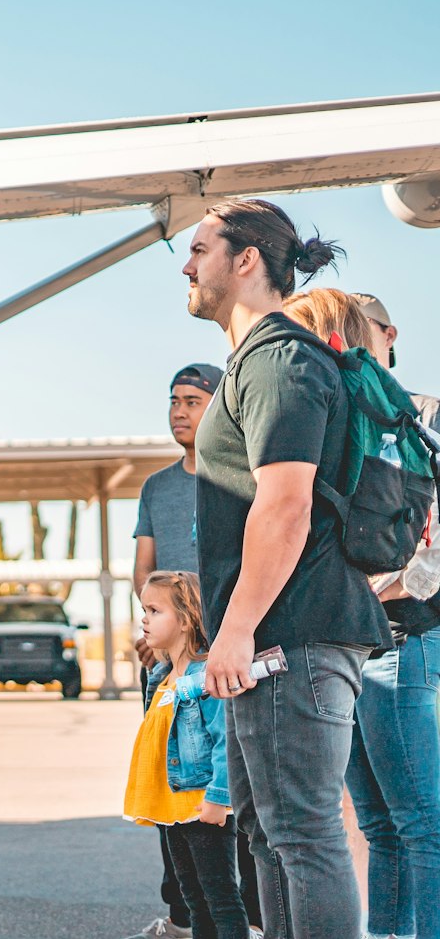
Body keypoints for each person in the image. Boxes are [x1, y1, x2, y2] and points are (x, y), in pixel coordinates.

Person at [182, 198, 390, 939]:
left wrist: (234, 630)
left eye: (200, 247)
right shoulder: (258, 359)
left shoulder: (278, 357)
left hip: (289, 637)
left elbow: (285, 504)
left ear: (245, 260)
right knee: (269, 835)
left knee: (302, 834)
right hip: (275, 640)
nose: (187, 263)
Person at [287, 287, 440, 939]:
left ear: (387, 332)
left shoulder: (419, 417)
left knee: (422, 823)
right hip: (348, 645)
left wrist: (354, 591)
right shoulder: (328, 411)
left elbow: (428, 557)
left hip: (401, 641)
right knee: (378, 823)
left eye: (357, 327)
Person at [126, 364, 263, 939]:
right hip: (171, 655)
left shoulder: (243, 475)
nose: (180, 410)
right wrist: (158, 632)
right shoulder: (157, 487)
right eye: (173, 400)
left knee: (224, 791)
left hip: (224, 650)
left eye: (193, 399)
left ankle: (250, 918)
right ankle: (185, 916)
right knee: (172, 775)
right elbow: (143, 569)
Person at [125, 571, 248, 939]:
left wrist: (218, 797)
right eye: (143, 609)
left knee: (221, 896)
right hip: (171, 808)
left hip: (200, 804)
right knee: (193, 897)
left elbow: (227, 738)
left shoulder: (205, 673)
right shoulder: (161, 676)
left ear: (186, 619)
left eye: (154, 610)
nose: (144, 619)